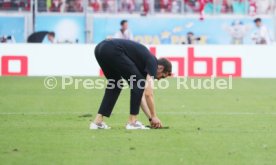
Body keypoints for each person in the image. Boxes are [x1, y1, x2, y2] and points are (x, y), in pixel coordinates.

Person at [90, 39, 172, 130]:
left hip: (100, 49)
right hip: (112, 49)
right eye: (163, 77)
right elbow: (148, 93)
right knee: (138, 82)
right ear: (161, 68)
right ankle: (132, 122)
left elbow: (139, 96)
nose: (159, 79)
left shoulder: (143, 65)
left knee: (115, 84)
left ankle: (97, 122)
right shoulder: (153, 62)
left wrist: (151, 118)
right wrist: (154, 116)